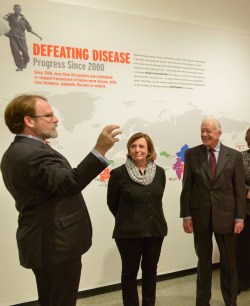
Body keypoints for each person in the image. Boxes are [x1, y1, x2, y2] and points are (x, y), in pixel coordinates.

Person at [1, 94, 121, 306]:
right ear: (29, 121)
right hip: (55, 245)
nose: (55, 119)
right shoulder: (32, 154)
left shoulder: (19, 150)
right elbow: (69, 184)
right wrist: (100, 149)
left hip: (47, 243)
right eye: (48, 115)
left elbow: (49, 186)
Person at [180, 118, 246, 306]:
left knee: (228, 264)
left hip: (227, 217)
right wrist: (186, 215)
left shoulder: (234, 156)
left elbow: (239, 190)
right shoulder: (191, 154)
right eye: (202, 130)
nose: (204, 134)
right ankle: (202, 302)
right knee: (203, 263)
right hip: (200, 216)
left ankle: (230, 301)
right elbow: (187, 188)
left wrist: (239, 217)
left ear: (219, 133)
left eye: (208, 131)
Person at [107, 132, 167, 306]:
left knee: (150, 271)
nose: (137, 150)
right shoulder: (118, 174)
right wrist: (129, 218)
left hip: (155, 231)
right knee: (129, 274)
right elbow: (113, 204)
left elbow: (157, 199)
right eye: (133, 146)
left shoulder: (160, 173)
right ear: (129, 149)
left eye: (141, 146)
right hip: (128, 233)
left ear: (149, 150)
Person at [4, 4, 42, 71]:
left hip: (22, 38)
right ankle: (20, 66)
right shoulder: (11, 16)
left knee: (25, 52)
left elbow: (29, 29)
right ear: (14, 9)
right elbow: (5, 18)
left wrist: (37, 35)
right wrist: (5, 18)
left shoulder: (24, 19)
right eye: (16, 9)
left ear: (21, 10)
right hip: (13, 36)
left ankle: (25, 61)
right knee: (15, 52)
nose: (17, 10)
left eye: (18, 9)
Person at [236, 127, 250, 293]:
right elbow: (236, 181)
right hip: (246, 211)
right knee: (244, 249)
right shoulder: (241, 157)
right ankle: (241, 281)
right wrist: (247, 191)